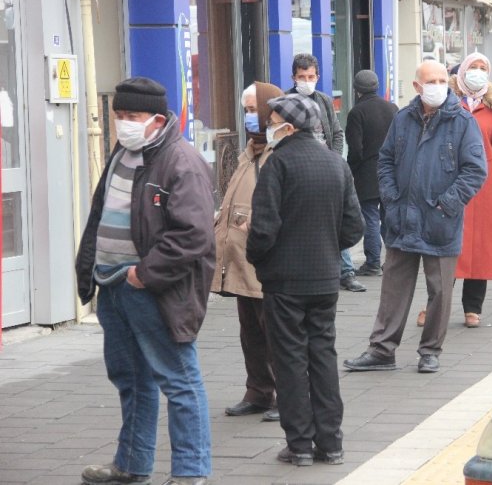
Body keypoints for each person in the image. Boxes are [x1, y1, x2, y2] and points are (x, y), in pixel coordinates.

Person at [75, 77, 215, 485]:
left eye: (132, 116)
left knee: (178, 379)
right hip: (113, 285)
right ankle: (131, 464)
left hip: (152, 289)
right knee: (131, 379)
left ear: (156, 119)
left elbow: (194, 234)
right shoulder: (124, 151)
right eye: (118, 116)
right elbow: (102, 213)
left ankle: (190, 472)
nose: (123, 124)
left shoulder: (180, 161)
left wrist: (144, 274)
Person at [343, 60, 487, 373]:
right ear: (417, 87)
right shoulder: (403, 118)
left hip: (440, 220)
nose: (436, 86)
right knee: (393, 286)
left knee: (440, 290)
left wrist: (446, 204)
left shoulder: (462, 121)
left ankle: (430, 351)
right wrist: (391, 200)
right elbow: (385, 160)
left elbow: (475, 170)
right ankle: (382, 350)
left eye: (441, 80)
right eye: (429, 81)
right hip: (401, 218)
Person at [247, 94, 364, 466]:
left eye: (275, 119)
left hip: (284, 282)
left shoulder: (277, 165)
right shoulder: (335, 164)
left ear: (290, 126)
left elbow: (263, 230)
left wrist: (257, 258)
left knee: (290, 361)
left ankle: (299, 445)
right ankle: (331, 443)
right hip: (325, 279)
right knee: (323, 357)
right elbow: (354, 227)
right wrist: (329, 248)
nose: (269, 125)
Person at [211, 82, 283, 423]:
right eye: (246, 110)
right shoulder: (250, 152)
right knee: (250, 331)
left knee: (275, 332)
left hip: (266, 260)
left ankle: (286, 395)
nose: (248, 116)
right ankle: (258, 391)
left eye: (254, 109)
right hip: (240, 259)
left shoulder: (279, 152)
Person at [287, 53, 366, 292]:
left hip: (326, 167)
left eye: (311, 76)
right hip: (299, 169)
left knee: (337, 218)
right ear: (294, 77)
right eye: (302, 77)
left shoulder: (323, 100)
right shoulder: (286, 101)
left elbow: (337, 132)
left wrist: (335, 158)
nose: (307, 80)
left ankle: (346, 272)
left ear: (318, 77)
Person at [449, 52, 492, 327]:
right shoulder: (448, 101)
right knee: (448, 245)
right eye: (472, 67)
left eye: (482, 68)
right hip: (451, 183)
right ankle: (435, 304)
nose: (477, 71)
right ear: (462, 71)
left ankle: (472, 308)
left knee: (481, 249)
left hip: (486, 188)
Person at [346, 70, 398, 276]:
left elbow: (355, 149)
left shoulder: (357, 113)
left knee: (370, 217)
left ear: (357, 90)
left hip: (367, 174)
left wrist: (351, 169)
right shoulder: (393, 109)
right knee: (389, 218)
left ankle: (373, 262)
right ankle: (394, 261)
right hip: (391, 172)